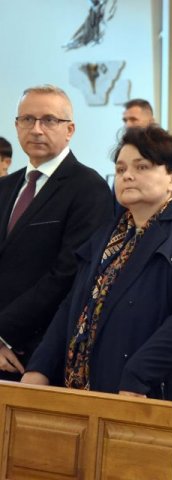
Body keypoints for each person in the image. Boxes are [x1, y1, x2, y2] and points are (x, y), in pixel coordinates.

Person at [22, 126, 172, 404]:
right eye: (120, 169)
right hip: (91, 391)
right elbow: (74, 305)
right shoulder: (111, 233)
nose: (127, 175)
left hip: (156, 394)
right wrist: (40, 367)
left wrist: (138, 374)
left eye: (142, 167)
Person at [0, 85, 113, 380]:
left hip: (38, 350)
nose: (36, 129)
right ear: (16, 125)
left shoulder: (88, 188)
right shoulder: (4, 187)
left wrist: (4, 333)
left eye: (49, 120)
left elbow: (66, 275)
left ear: (70, 130)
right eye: (27, 119)